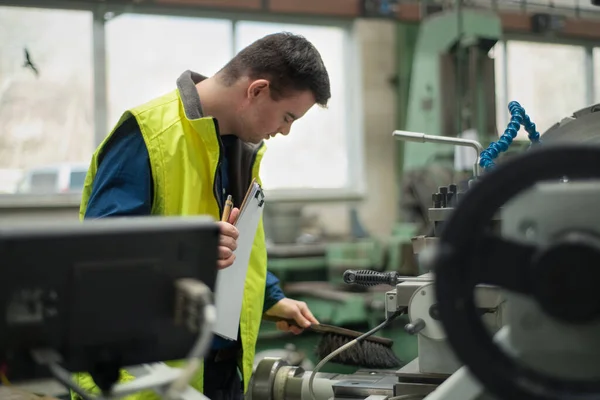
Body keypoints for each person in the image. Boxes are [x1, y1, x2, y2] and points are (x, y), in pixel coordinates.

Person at [74, 32, 331, 400]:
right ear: (256, 90)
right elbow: (99, 254)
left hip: (220, 371)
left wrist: (271, 298)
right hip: (148, 379)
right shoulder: (148, 136)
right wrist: (186, 249)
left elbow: (233, 253)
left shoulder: (241, 150)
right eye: (288, 116)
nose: (285, 131)